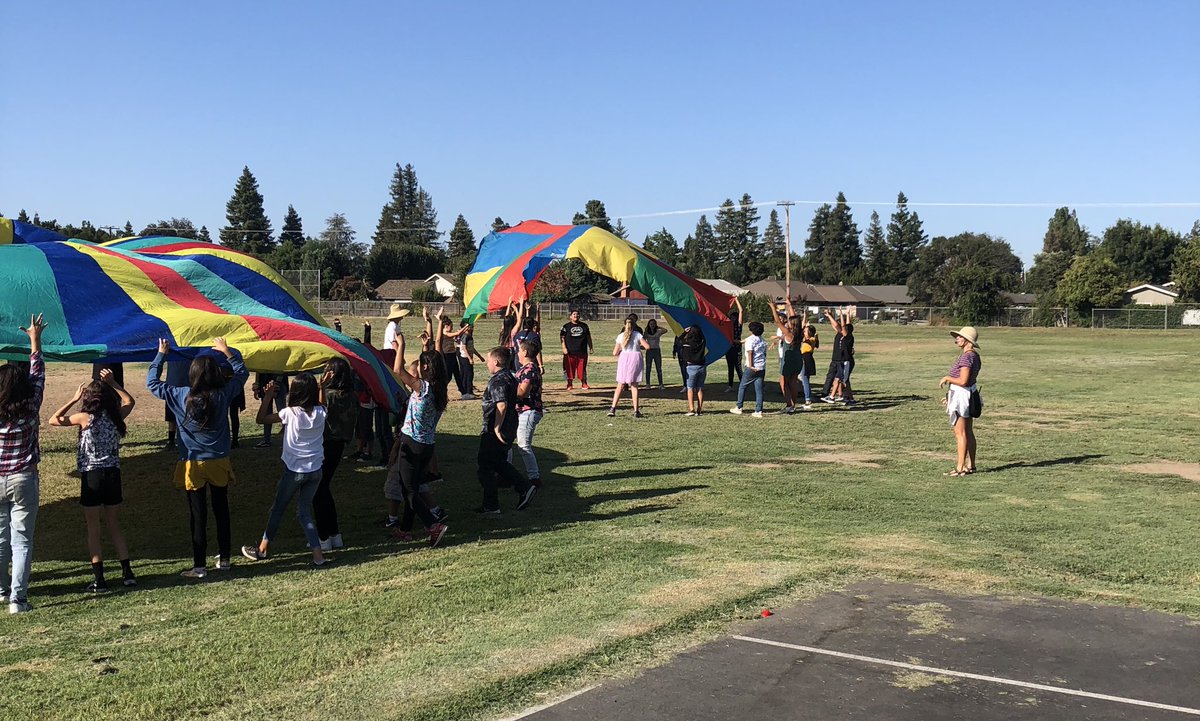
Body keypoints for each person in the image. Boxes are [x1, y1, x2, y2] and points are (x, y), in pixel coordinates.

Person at [148, 338, 249, 579]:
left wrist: (161, 355)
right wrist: (227, 352)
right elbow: (242, 374)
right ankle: (225, 559)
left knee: (198, 515)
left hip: (193, 464)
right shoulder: (222, 394)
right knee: (221, 510)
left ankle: (199, 566)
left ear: (191, 374)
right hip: (219, 461)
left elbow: (152, 383)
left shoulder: (179, 395)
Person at [48, 368, 138, 592]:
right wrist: (114, 383)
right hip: (113, 473)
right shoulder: (116, 416)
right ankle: (127, 572)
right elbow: (130, 401)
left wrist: (73, 399)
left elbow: (53, 420)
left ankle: (99, 578)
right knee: (114, 525)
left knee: (93, 528)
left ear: (89, 399)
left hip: (92, 475)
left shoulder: (84, 418)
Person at [240, 373, 330, 566]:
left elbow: (261, 419)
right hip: (316, 470)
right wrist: (322, 388)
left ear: (295, 392)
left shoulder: (290, 413)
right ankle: (318, 556)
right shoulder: (321, 411)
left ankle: (262, 549)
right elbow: (321, 404)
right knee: (304, 512)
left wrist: (269, 396)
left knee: (278, 509)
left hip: (295, 470)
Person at [382, 331, 451, 547]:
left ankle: (433, 525)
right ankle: (405, 529)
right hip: (427, 446)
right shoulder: (440, 388)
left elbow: (397, 370)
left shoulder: (423, 388)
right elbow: (432, 363)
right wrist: (426, 346)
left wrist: (400, 345)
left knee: (409, 490)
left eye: (421, 365)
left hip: (412, 444)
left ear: (426, 368)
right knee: (412, 487)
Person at [0, 314, 48, 614]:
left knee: (1, 538)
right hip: (23, 478)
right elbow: (38, 371)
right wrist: (35, 339)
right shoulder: (31, 406)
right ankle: (18, 599)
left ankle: (2, 591)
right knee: (21, 541)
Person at [477, 347, 536, 516]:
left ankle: (497, 502)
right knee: (497, 462)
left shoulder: (498, 380)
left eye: (488, 360)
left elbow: (501, 405)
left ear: (496, 362)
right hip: (510, 424)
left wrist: (496, 427)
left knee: (485, 466)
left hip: (496, 428)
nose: (487, 363)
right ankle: (494, 503)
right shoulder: (510, 376)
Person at [314, 357, 358, 552]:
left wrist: (320, 388)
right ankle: (334, 535)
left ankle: (323, 538)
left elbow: (319, 411)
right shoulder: (350, 395)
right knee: (324, 487)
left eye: (327, 371)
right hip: (339, 445)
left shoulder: (330, 395)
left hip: (325, 444)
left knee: (318, 490)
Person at [940, 326, 982, 477]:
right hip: (968, 394)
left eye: (959, 336)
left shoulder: (966, 357)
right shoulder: (975, 356)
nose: (956, 339)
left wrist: (947, 378)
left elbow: (963, 380)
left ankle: (960, 467)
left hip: (962, 396)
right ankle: (971, 465)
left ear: (967, 340)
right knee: (968, 431)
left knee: (960, 432)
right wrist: (949, 396)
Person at [512, 341, 544, 486]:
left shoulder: (529, 369)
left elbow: (523, 392)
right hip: (520, 411)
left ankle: (534, 478)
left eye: (519, 350)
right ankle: (506, 473)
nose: (518, 353)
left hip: (528, 410)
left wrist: (506, 390)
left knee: (524, 445)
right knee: (508, 443)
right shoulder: (526, 368)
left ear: (525, 352)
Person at [608, 317, 650, 418]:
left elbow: (614, 352)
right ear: (634, 325)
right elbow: (647, 346)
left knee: (620, 385)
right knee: (634, 385)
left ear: (624, 325)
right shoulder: (637, 335)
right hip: (635, 358)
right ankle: (636, 410)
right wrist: (638, 346)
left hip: (624, 358)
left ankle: (613, 408)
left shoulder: (621, 336)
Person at [768, 298, 802, 414]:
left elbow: (778, 322)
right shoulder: (800, 332)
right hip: (798, 360)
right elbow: (795, 319)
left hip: (788, 360)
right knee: (793, 382)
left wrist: (773, 308)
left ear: (791, 324)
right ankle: (793, 405)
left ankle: (789, 405)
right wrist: (789, 305)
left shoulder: (788, 333)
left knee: (783, 383)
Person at [730, 321, 767, 417]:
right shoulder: (762, 341)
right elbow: (741, 342)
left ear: (751, 330)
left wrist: (751, 366)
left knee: (742, 386)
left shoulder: (751, 340)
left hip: (752, 368)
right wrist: (733, 340)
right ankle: (758, 410)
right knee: (759, 390)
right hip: (761, 368)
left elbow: (750, 352)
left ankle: (739, 407)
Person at [678, 325, 708, 416]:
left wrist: (684, 332)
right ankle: (699, 409)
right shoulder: (702, 342)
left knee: (690, 389)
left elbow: (678, 341)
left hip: (691, 367)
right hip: (702, 367)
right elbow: (703, 337)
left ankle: (691, 409)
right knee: (699, 388)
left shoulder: (687, 343)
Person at [252, 373, 289, 448]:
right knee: (266, 412)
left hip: (280, 383)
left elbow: (283, 366)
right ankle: (266, 440)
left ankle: (286, 440)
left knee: (283, 413)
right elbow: (258, 369)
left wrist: (278, 381)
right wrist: (256, 384)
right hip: (265, 382)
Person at [560, 308, 593, 390]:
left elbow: (588, 337)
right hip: (570, 352)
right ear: (570, 316)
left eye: (577, 314)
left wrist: (591, 347)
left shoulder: (584, 326)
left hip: (582, 351)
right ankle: (569, 383)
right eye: (574, 314)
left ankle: (584, 383)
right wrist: (564, 348)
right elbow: (562, 337)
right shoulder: (566, 326)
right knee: (569, 368)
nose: (576, 316)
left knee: (582, 368)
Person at [163, 357, 191, 450]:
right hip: (172, 387)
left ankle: (185, 440)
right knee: (171, 417)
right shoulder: (171, 351)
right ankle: (171, 441)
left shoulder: (189, 352)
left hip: (187, 388)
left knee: (186, 416)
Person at [453, 320, 486, 400]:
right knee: (468, 375)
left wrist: (479, 356)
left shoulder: (470, 336)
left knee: (469, 374)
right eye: (471, 326)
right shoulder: (465, 336)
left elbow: (472, 348)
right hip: (465, 358)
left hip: (468, 357)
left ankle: (468, 391)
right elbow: (464, 348)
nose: (473, 328)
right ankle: (468, 392)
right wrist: (469, 358)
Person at [724, 297, 744, 393]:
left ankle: (743, 385)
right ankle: (730, 386)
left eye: (734, 318)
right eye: (731, 317)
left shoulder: (738, 326)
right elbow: (723, 313)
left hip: (737, 349)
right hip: (729, 349)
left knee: (738, 368)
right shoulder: (727, 326)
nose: (732, 319)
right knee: (730, 368)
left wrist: (735, 300)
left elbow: (741, 311)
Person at [798, 318, 819, 410]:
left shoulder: (812, 339)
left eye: (806, 331)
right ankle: (808, 397)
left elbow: (808, 341)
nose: (804, 332)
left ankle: (808, 400)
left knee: (805, 379)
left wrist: (804, 339)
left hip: (806, 359)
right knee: (804, 379)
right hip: (805, 359)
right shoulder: (808, 338)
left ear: (810, 333)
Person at [643, 319, 668, 389]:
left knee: (659, 368)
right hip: (649, 351)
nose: (652, 325)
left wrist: (658, 327)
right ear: (648, 325)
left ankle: (661, 384)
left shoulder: (658, 332)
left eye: (654, 324)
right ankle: (648, 384)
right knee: (648, 368)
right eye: (651, 324)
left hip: (656, 350)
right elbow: (643, 340)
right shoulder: (646, 332)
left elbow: (665, 330)